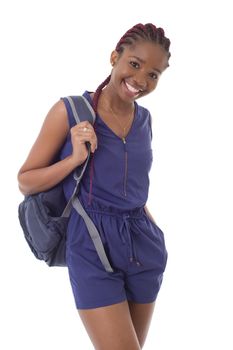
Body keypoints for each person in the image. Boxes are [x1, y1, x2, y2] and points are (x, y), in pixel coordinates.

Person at [17, 23, 171, 350]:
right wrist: (73, 160)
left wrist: (155, 234)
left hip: (143, 246)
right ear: (115, 56)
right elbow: (25, 181)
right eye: (134, 64)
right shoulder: (71, 111)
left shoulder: (145, 122)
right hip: (91, 246)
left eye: (154, 74)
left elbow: (133, 189)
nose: (141, 80)